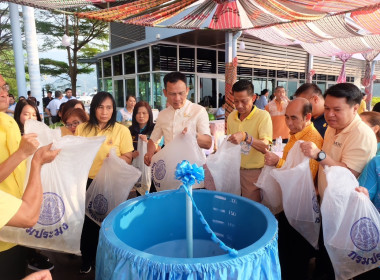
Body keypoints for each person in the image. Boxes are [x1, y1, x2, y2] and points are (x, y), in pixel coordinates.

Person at [300, 83, 377, 279]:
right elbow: (327, 166)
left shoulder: (361, 134)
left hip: (346, 212)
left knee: (336, 262)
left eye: (337, 110)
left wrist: (319, 154)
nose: (330, 114)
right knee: (324, 255)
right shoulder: (332, 127)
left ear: (355, 108)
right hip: (329, 204)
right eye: (327, 108)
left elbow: (349, 173)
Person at [0, 74, 59, 279]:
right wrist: (27, 156)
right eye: (26, 114)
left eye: (4, 86)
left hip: (14, 221)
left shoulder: (6, 123)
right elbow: (29, 217)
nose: (3, 92)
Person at [264, 98, 323, 279]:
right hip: (289, 202)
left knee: (296, 257)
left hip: (301, 206)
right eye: (287, 117)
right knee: (285, 251)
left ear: (308, 117)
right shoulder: (296, 134)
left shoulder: (312, 140)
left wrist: (278, 162)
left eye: (294, 118)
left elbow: (305, 177)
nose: (289, 123)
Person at [75, 91, 134, 273]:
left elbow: (129, 157)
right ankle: (87, 259)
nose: (104, 112)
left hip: (110, 182)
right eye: (100, 107)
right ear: (93, 108)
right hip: (86, 182)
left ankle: (108, 260)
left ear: (113, 109)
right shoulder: (82, 129)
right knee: (87, 223)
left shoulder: (121, 130)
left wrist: (116, 159)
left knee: (109, 222)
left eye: (108, 107)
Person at [144, 72, 212, 166]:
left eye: (181, 93)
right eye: (172, 94)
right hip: (169, 165)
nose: (177, 98)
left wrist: (193, 135)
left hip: (192, 168)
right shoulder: (163, 114)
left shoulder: (198, 111)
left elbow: (208, 143)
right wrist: (149, 153)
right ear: (165, 93)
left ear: (187, 90)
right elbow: (153, 140)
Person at [227, 79, 272, 202]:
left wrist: (246, 137)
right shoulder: (232, 116)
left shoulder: (263, 116)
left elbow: (265, 147)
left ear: (253, 98)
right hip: (235, 170)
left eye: (244, 101)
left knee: (251, 209)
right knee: (234, 205)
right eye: (236, 101)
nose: (239, 105)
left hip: (254, 172)